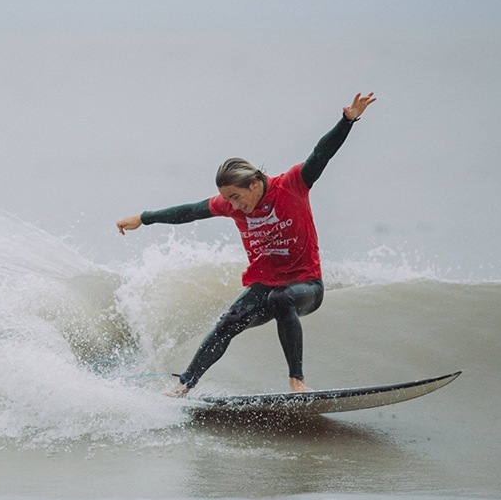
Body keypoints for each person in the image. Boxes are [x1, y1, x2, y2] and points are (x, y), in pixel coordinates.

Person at [116, 93, 377, 397]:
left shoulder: (292, 185)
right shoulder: (230, 205)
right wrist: (143, 218)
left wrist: (347, 120)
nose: (233, 205)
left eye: (236, 197)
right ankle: (183, 386)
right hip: (266, 284)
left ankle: (297, 382)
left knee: (282, 298)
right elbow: (190, 211)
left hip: (306, 285)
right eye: (228, 199)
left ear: (254, 183)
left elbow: (321, 154)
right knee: (229, 321)